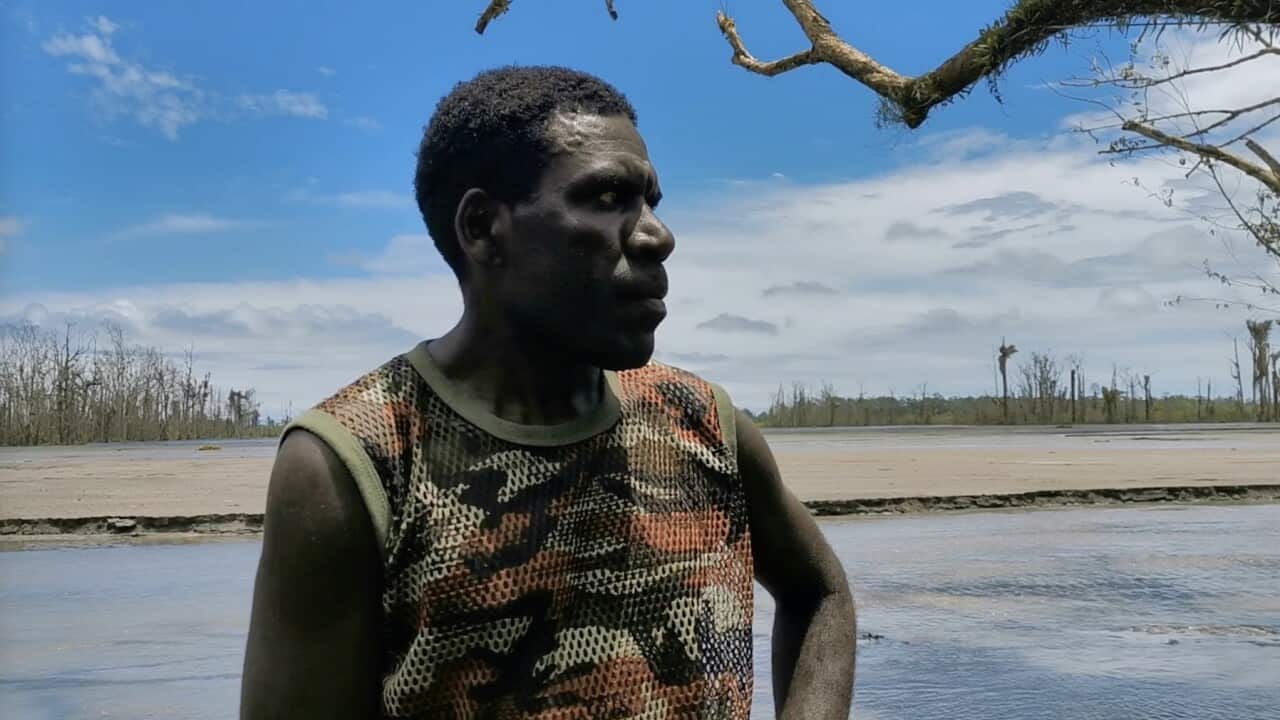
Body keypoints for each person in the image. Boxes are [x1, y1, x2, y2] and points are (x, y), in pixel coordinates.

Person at [240, 65, 856, 719]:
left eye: (650, 201)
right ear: (483, 228)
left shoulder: (704, 425)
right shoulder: (359, 463)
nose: (657, 235)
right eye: (607, 197)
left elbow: (822, 594)